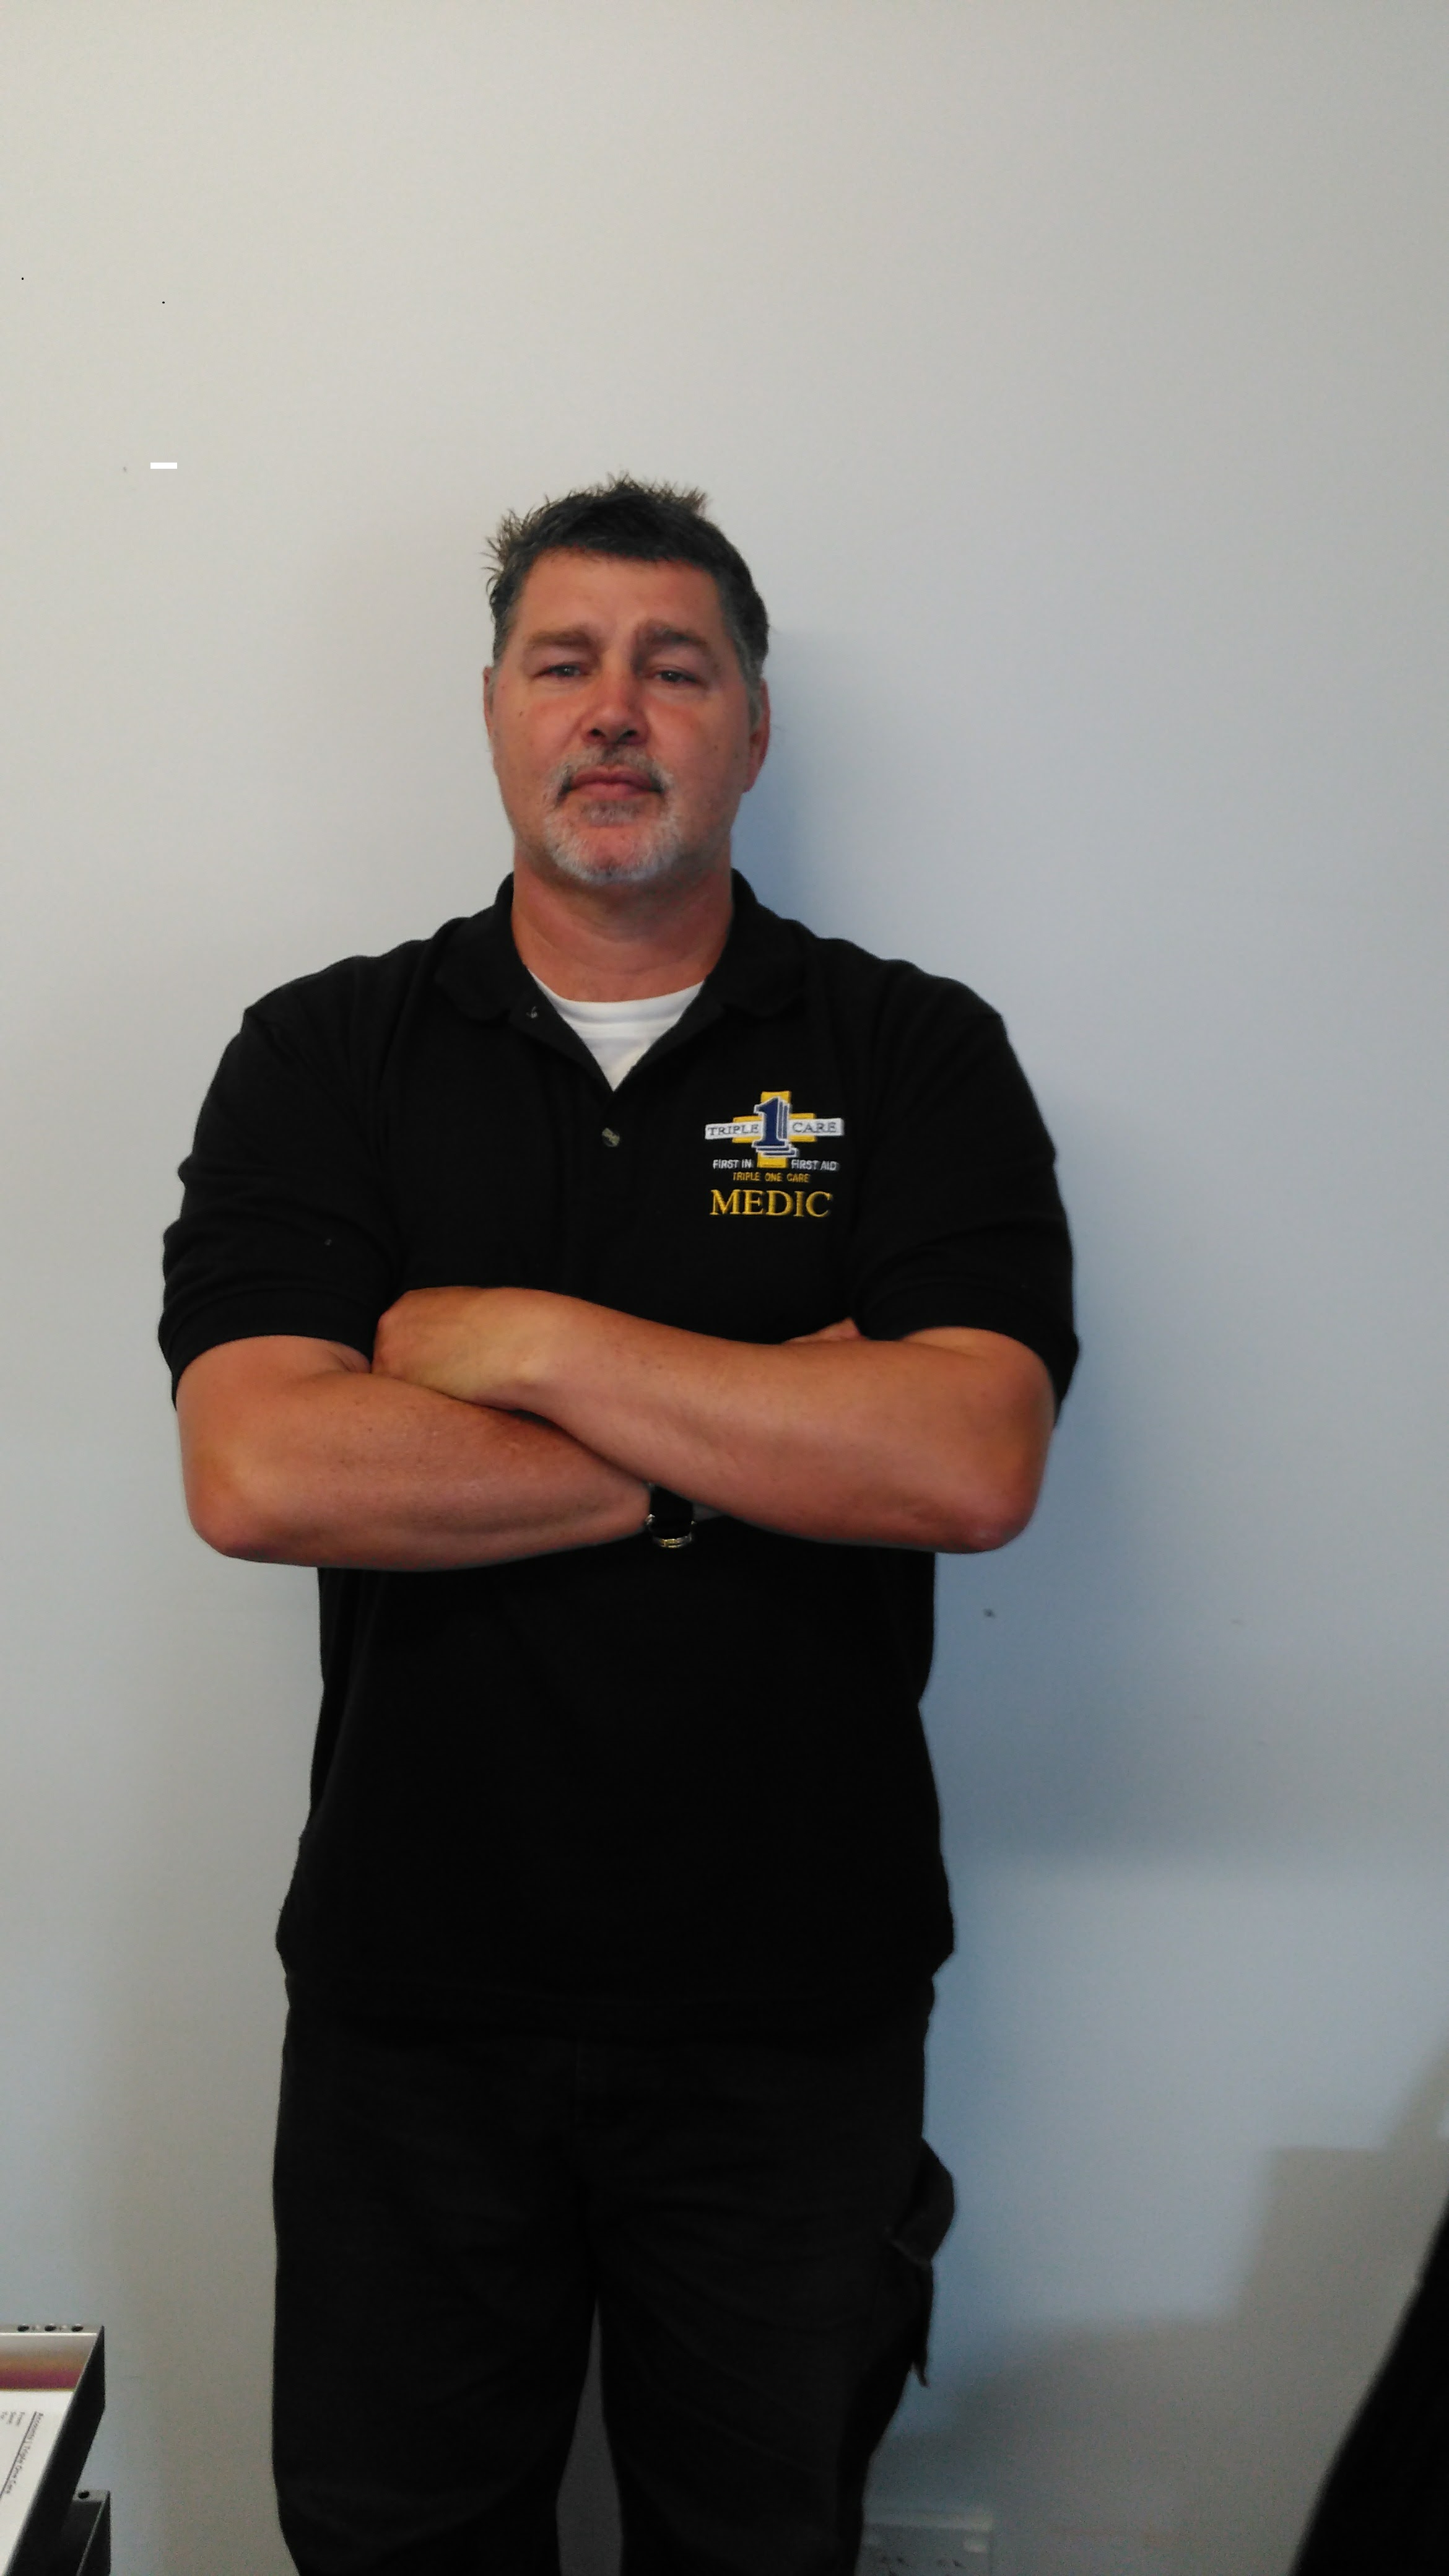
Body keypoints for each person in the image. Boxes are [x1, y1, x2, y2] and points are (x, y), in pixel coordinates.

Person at [160, 477, 1076, 2576]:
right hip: (414, 1997)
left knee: (759, 2549)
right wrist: (763, 1417)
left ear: (750, 729)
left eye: (676, 668)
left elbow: (963, 1462)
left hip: (794, 2005)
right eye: (561, 662)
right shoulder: (328, 1054)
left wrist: (522, 1342)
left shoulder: (907, 1053)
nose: (613, 710)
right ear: (493, 710)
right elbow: (263, 1471)